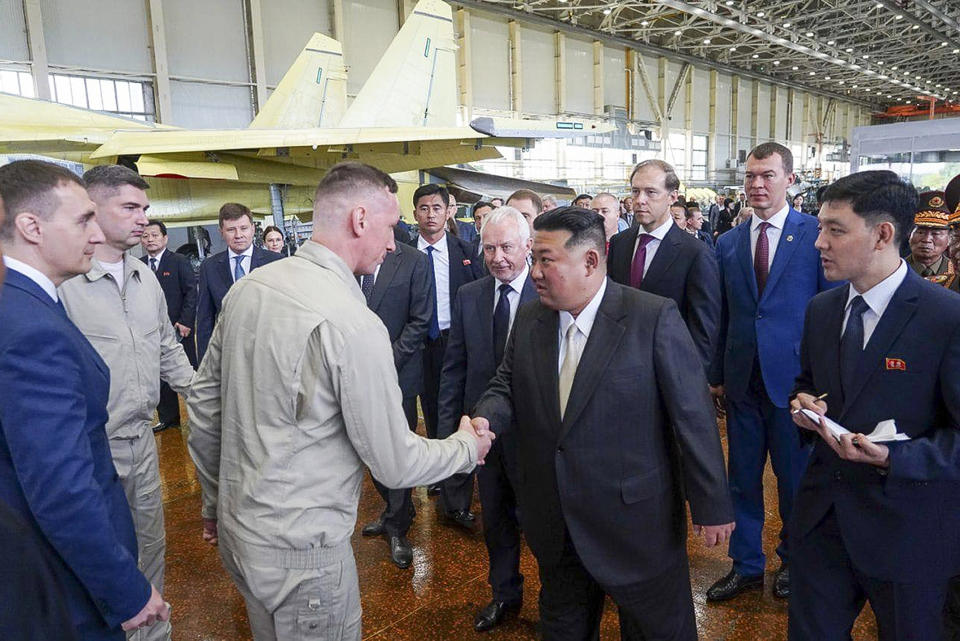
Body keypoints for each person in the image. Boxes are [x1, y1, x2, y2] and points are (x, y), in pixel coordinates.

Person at [187, 162, 493, 641]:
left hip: (239, 532)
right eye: (391, 227)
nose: (394, 243)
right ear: (360, 219)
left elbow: (204, 410)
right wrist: (465, 448)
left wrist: (213, 502)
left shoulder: (250, 289)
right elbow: (394, 462)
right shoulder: (352, 323)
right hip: (304, 559)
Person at [469, 207, 734, 641]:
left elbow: (692, 416)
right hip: (557, 521)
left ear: (591, 261)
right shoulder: (533, 318)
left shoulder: (651, 318)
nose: (533, 271)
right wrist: (484, 418)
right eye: (533, 258)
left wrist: (711, 505)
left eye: (546, 260)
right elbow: (505, 384)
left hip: (634, 524)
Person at [0, 159, 169, 640]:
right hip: (58, 582)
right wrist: (125, 591)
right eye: (82, 220)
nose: (95, 235)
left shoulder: (23, 302)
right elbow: (61, 487)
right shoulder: (32, 328)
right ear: (31, 227)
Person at [789, 170, 960, 640]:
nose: (819, 242)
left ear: (884, 234)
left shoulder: (945, 318)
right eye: (820, 226)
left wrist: (891, 456)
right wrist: (803, 405)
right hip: (824, 519)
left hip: (908, 528)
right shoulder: (822, 310)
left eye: (835, 230)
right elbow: (808, 385)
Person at [59, 165, 195, 641]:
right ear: (94, 209)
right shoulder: (67, 282)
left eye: (145, 209)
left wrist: (205, 396)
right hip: (93, 448)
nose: (144, 219)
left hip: (142, 440)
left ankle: (153, 635)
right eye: (131, 208)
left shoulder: (144, 276)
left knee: (150, 547)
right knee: (101, 554)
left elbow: (166, 350)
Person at [706, 142, 837, 603]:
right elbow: (722, 315)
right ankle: (745, 565)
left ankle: (794, 560)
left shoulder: (814, 235)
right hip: (743, 382)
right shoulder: (727, 242)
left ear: (790, 179)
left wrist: (823, 383)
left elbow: (830, 312)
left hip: (796, 387)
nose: (757, 185)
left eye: (767, 175)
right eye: (750, 176)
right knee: (741, 477)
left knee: (794, 480)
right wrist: (717, 373)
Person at [436, 206, 537, 632]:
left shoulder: (549, 293)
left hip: (537, 435)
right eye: (490, 247)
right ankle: (504, 595)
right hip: (483, 434)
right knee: (495, 520)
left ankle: (558, 602)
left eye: (508, 247)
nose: (498, 257)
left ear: (528, 246)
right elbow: (455, 367)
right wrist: (449, 434)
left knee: (543, 524)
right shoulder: (470, 295)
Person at [358, 239, 433, 569]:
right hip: (356, 374)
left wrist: (387, 359)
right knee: (369, 449)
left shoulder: (413, 260)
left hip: (399, 372)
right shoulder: (351, 256)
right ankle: (396, 509)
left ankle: (398, 527)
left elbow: (420, 320)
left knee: (396, 449)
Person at [408, 183, 483, 506]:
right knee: (431, 409)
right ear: (415, 214)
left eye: (437, 208)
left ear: (448, 211)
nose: (430, 214)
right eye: (423, 208)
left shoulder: (465, 253)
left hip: (456, 341)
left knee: (455, 408)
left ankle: (459, 476)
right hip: (420, 344)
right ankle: (438, 474)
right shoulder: (404, 256)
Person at [608, 159, 720, 372]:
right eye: (635, 191)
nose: (639, 200)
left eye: (651, 192)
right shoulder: (619, 243)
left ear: (672, 197)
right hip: (619, 366)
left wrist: (690, 380)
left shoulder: (695, 253)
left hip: (669, 370)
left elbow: (703, 328)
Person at [195, 202, 282, 361]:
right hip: (229, 356)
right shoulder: (210, 267)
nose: (238, 235)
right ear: (221, 232)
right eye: (231, 230)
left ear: (253, 229)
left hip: (271, 353)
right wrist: (204, 365)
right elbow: (204, 321)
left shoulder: (275, 262)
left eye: (243, 228)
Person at [140, 219, 198, 432]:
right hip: (151, 331)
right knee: (160, 376)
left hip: (179, 328)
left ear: (165, 238)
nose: (150, 239)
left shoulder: (179, 261)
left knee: (188, 371)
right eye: (145, 236)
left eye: (154, 235)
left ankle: (198, 416)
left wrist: (185, 321)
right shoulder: (139, 265)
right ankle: (168, 418)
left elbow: (191, 292)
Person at [905, 191, 959, 292]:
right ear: (909, 235)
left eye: (936, 234)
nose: (926, 240)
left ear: (950, 238)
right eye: (920, 232)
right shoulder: (894, 271)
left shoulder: (956, 273)